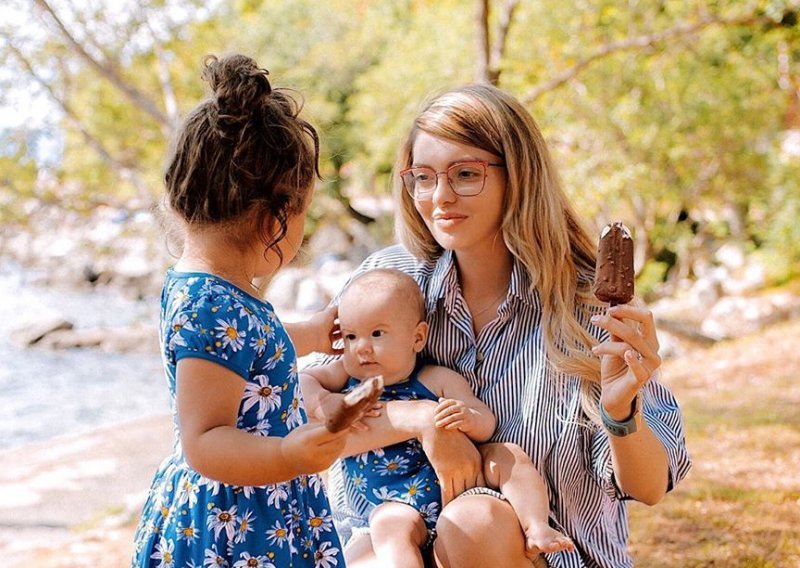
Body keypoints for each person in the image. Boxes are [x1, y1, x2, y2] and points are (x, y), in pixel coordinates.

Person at [306, 83, 692, 568]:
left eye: (466, 174)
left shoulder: (586, 306)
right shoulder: (388, 282)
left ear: (519, 176)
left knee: (475, 521)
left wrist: (620, 409)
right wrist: (420, 421)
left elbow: (649, 487)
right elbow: (315, 423)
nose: (440, 196)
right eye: (423, 177)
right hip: (392, 552)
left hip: (550, 558)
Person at [131, 53, 377, 568]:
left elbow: (245, 349)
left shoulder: (214, 289)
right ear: (275, 222)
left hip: (253, 508)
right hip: (236, 526)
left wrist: (310, 334)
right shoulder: (208, 303)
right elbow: (205, 439)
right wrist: (288, 456)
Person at [301, 268, 575, 567]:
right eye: (351, 336)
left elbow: (486, 422)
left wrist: (467, 417)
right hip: (394, 502)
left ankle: (536, 526)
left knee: (507, 455)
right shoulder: (346, 376)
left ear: (417, 338)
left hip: (456, 492)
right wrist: (322, 400)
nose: (361, 347)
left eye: (377, 333)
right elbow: (300, 382)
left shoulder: (435, 379)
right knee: (387, 526)